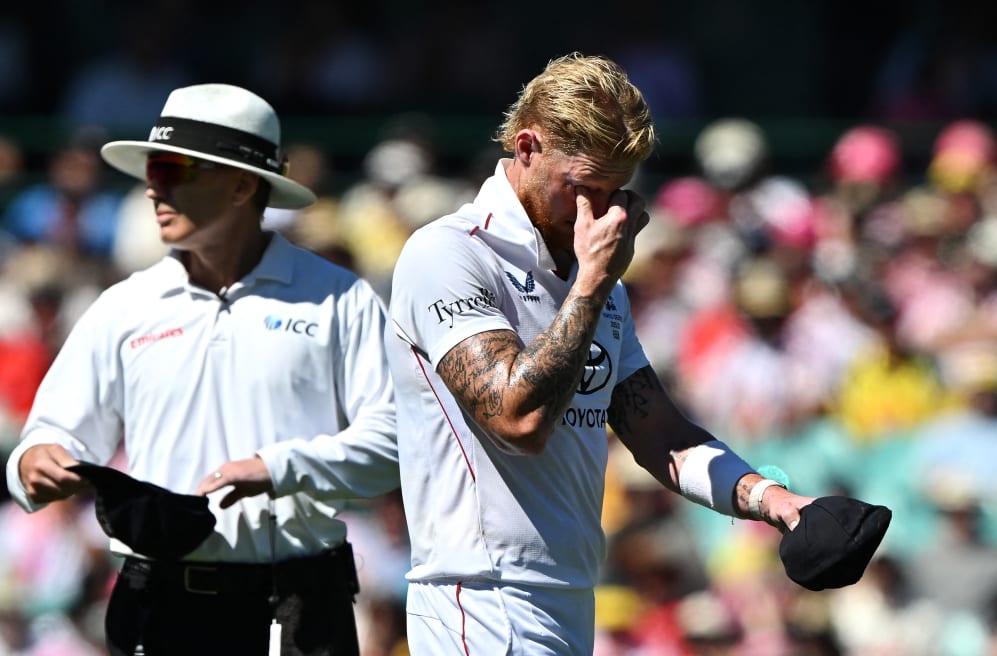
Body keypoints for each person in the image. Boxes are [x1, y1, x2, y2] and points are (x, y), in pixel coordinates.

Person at [382, 52, 817, 655]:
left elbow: (660, 433)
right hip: (479, 600)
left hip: (568, 597)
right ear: (527, 146)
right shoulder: (449, 255)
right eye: (582, 188)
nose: (601, 213)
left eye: (615, 192)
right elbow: (518, 419)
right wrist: (591, 284)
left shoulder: (589, 268)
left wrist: (775, 501)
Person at [5, 83, 400, 655]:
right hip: (156, 603)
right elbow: (51, 435)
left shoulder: (341, 299)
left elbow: (394, 444)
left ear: (243, 185)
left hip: (299, 605)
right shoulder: (123, 305)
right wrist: (34, 462)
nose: (152, 187)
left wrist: (279, 466)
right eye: (151, 169)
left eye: (173, 169)